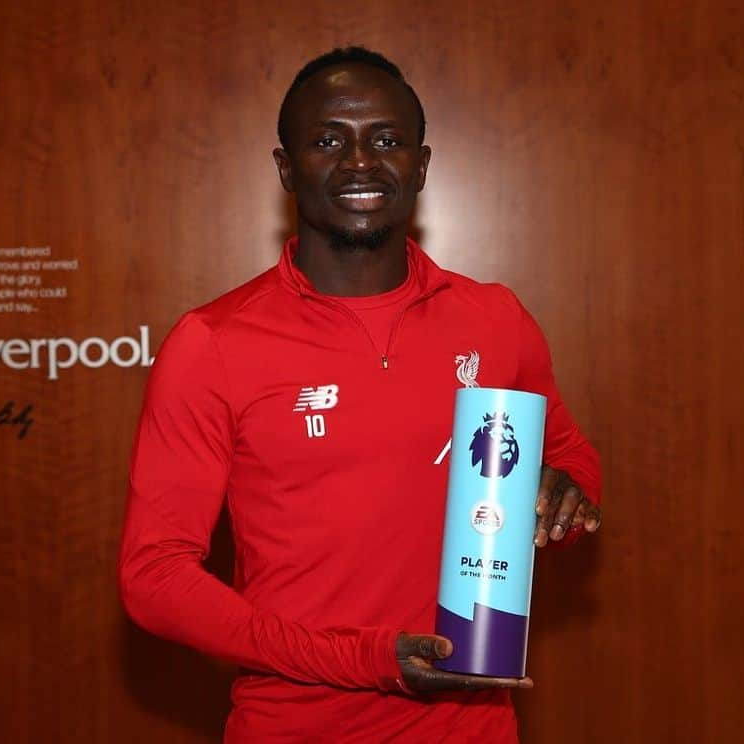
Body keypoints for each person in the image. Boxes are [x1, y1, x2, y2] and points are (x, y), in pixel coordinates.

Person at [119, 46, 602, 743]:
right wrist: (364, 660)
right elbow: (153, 577)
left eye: (385, 139)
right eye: (326, 141)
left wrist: (563, 494)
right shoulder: (212, 342)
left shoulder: (494, 318)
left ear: (422, 164)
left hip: (472, 730)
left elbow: (571, 460)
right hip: (294, 727)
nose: (359, 162)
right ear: (286, 169)